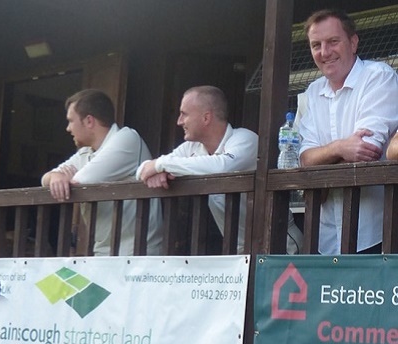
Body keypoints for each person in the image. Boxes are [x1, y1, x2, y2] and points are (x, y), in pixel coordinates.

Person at [136, 85, 303, 254]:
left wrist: (161, 165)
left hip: (280, 243)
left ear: (206, 118)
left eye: (184, 114)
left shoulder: (245, 139)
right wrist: (156, 167)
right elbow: (142, 171)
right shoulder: (191, 147)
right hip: (239, 249)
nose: (179, 121)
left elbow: (222, 166)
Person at [298, 9, 398, 254]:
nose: (324, 52)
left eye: (333, 42)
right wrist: (340, 148)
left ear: (353, 43)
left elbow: (368, 150)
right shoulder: (312, 91)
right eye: (316, 45)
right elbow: (304, 159)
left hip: (375, 232)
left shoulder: (378, 76)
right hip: (325, 236)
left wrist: (321, 157)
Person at [41, 89, 163, 256]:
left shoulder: (127, 138)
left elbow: (82, 181)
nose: (68, 128)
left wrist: (66, 178)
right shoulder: (86, 152)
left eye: (71, 121)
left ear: (89, 121)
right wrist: (56, 176)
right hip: (105, 252)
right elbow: (45, 178)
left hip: (138, 254)